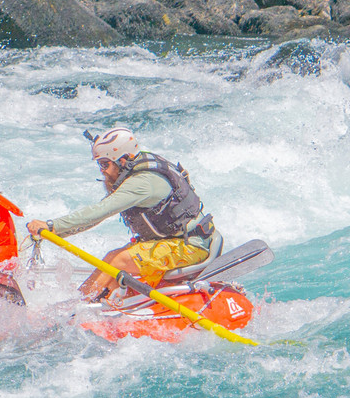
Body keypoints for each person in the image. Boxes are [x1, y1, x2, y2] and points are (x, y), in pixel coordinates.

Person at [26, 127, 216, 301]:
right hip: (172, 240)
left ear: (122, 160)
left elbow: (100, 211)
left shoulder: (141, 183)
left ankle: (73, 310)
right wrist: (54, 234)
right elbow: (98, 215)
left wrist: (52, 226)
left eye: (104, 164)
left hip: (190, 246)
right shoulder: (137, 169)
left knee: (115, 261)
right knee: (111, 268)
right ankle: (103, 305)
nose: (103, 172)